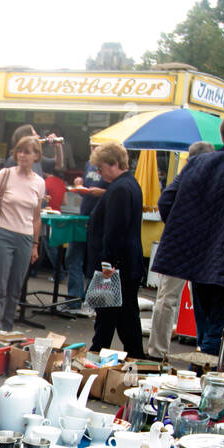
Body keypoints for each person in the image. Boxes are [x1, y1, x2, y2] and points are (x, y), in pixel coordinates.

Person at [152, 109, 224, 356]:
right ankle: (207, 376)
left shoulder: (197, 161)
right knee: (219, 327)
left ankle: (202, 366)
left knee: (206, 326)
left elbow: (166, 201)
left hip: (197, 252)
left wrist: (187, 229)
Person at [147, 141, 215, 359]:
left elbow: (165, 201)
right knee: (204, 301)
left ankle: (157, 351)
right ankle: (205, 347)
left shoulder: (184, 175)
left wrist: (176, 224)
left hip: (178, 243)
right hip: (203, 245)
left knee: (167, 299)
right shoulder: (215, 178)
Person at [0, 134, 45, 333]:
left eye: (28, 152)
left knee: (15, 288)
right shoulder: (6, 174)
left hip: (25, 238)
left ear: (36, 156)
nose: (23, 155)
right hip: (3, 233)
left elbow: (36, 216)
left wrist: (35, 244)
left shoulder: (39, 182)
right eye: (20, 151)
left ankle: (7, 329)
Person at [85, 142, 145, 355]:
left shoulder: (120, 188)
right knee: (122, 317)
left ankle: (99, 355)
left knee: (110, 317)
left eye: (100, 168)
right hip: (124, 265)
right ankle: (133, 357)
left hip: (115, 268)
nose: (99, 174)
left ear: (114, 164)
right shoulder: (129, 184)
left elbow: (114, 230)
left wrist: (106, 264)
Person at [62, 150, 110, 317]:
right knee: (72, 256)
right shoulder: (89, 164)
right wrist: (79, 182)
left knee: (94, 262)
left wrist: (101, 192)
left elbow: (116, 191)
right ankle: (74, 299)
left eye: (97, 146)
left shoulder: (109, 167)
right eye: (91, 145)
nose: (93, 149)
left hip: (99, 220)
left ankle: (90, 302)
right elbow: (86, 182)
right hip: (82, 217)